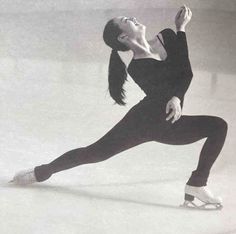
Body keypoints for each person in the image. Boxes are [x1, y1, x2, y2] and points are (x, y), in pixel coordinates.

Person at [11, 5, 227, 209]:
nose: (133, 18)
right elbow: (165, 89)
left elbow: (184, 72)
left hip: (169, 122)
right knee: (94, 153)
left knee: (218, 126)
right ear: (124, 37)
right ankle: (41, 172)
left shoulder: (167, 37)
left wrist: (181, 29)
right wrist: (175, 97)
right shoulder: (137, 67)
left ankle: (197, 185)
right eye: (127, 20)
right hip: (143, 121)